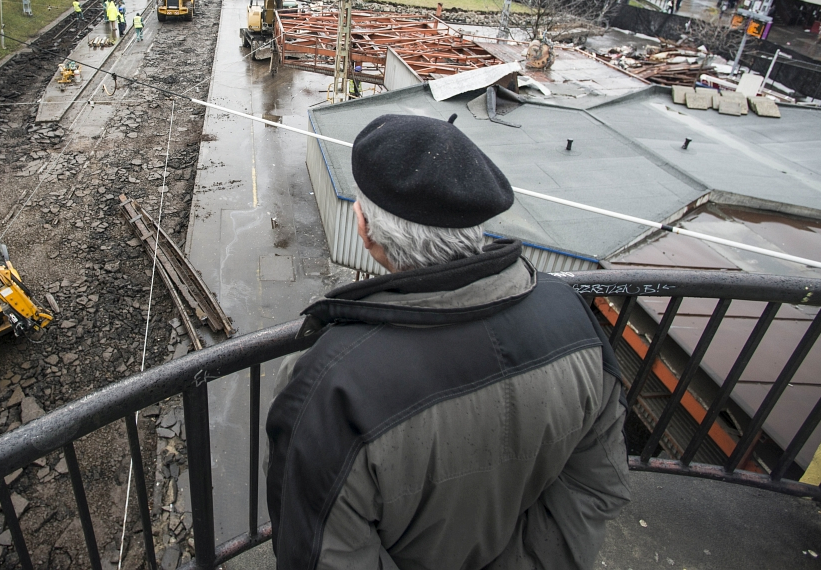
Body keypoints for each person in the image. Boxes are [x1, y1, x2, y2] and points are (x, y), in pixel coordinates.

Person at [266, 114, 631, 570]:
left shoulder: (331, 386)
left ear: (365, 231)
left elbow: (318, 555)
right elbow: (598, 485)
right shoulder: (573, 318)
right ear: (473, 226)